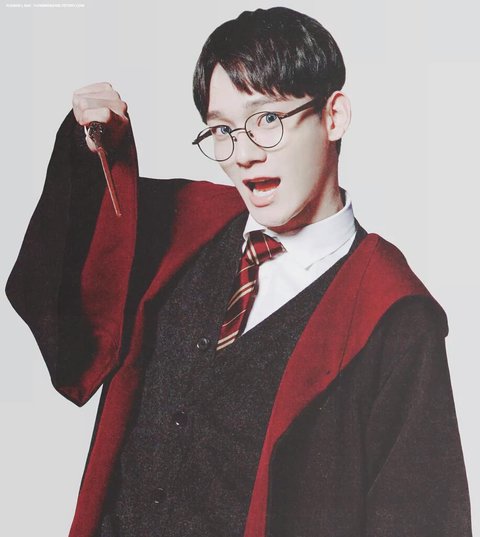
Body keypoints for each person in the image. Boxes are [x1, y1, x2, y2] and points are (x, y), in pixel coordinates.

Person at [5, 6, 472, 537]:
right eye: (222, 130)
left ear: (334, 116)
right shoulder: (184, 232)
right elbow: (67, 290)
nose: (244, 155)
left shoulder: (393, 317)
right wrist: (93, 149)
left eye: (268, 120)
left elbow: (421, 519)